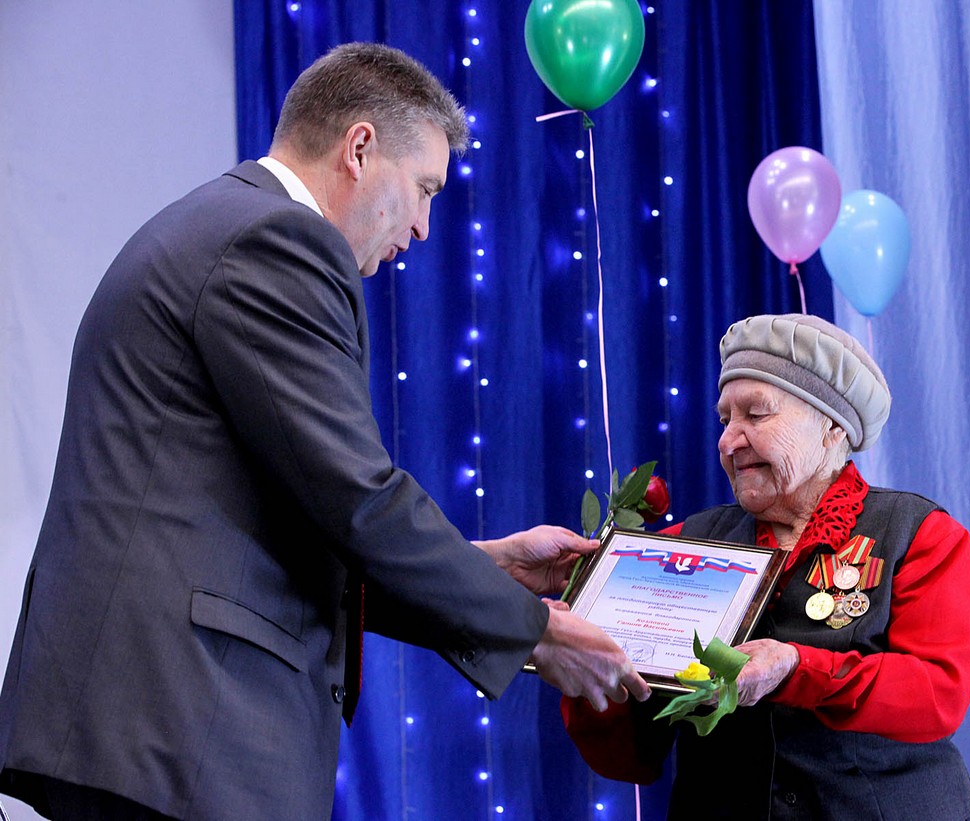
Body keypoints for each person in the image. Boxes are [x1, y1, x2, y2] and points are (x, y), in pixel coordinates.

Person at [0, 42, 649, 820]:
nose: (423, 226)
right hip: (176, 725)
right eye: (424, 189)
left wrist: (492, 569)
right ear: (360, 147)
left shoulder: (225, 223)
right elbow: (358, 499)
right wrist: (537, 630)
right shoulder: (274, 239)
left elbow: (306, 518)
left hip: (153, 727)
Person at [562, 313, 970, 819]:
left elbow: (938, 693)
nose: (728, 441)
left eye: (756, 415)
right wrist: (585, 652)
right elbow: (629, 755)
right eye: (725, 420)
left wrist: (794, 668)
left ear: (831, 428)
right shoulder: (683, 547)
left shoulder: (918, 534)